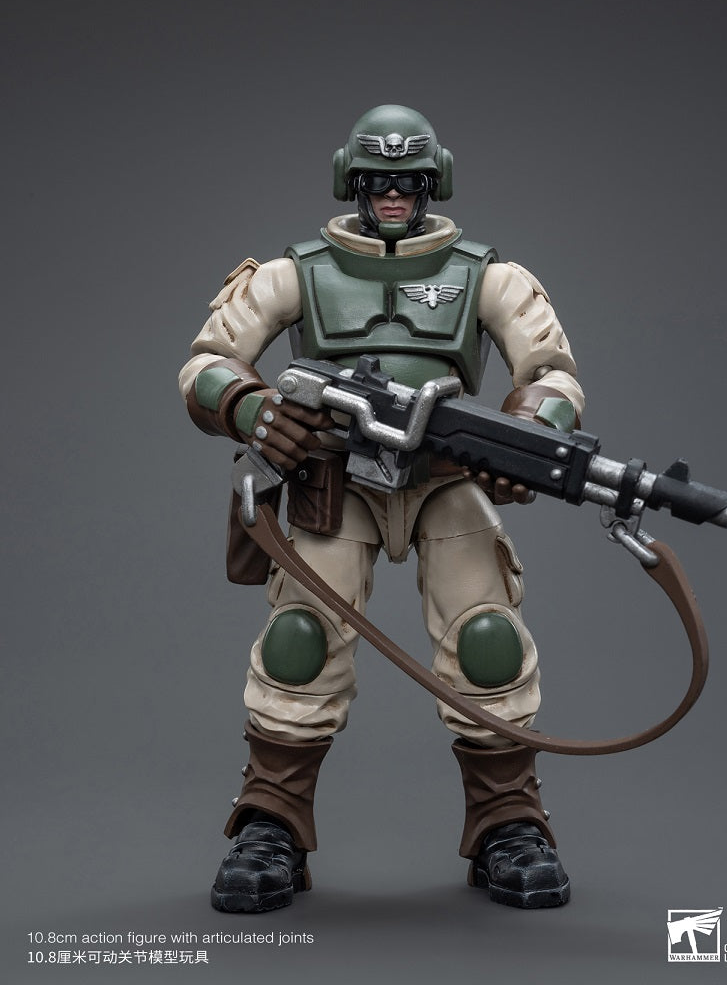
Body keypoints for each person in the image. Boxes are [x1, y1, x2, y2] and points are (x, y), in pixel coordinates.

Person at [179, 104, 585, 912]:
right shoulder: (292, 274)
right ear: (350, 182)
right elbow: (207, 363)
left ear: (433, 184)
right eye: (376, 181)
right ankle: (271, 822)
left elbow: (552, 372)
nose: (392, 196)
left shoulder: (488, 277)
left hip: (443, 478)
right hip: (334, 483)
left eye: (407, 183)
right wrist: (256, 411)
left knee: (488, 643)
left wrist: (530, 435)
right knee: (298, 644)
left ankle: (507, 822)